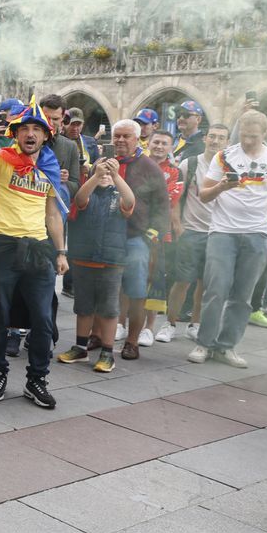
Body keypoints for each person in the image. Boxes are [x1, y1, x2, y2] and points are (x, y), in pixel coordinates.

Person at [0, 100, 68, 407]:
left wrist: (61, 252)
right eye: (24, 129)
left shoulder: (49, 167)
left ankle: (37, 380)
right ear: (15, 134)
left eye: (37, 129)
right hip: (2, 246)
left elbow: (52, 214)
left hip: (38, 249)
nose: (30, 134)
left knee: (43, 319)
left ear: (46, 135)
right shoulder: (2, 158)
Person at [190, 110, 267, 368]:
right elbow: (204, 195)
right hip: (223, 232)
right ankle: (204, 343)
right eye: (244, 135)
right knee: (216, 289)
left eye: (253, 137)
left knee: (243, 296)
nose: (247, 141)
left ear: (265, 133)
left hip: (257, 234)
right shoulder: (224, 157)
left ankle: (226, 346)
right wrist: (222, 186)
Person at [57, 151, 135, 369]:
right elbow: (80, 199)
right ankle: (80, 348)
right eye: (100, 171)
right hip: (84, 259)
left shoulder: (119, 196)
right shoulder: (87, 193)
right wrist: (95, 176)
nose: (105, 175)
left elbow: (130, 200)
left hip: (111, 262)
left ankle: (107, 352)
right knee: (83, 307)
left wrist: (116, 176)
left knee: (109, 309)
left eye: (109, 172)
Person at [154, 123, 230, 343]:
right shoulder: (191, 163)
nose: (215, 141)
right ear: (205, 138)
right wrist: (178, 224)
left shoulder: (230, 167)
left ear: (227, 143)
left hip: (218, 233)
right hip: (192, 230)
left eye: (221, 138)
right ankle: (170, 323)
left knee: (205, 284)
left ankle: (195, 324)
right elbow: (177, 195)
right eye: (212, 136)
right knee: (182, 280)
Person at [110, 120, 170, 364]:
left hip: (136, 238)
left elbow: (162, 207)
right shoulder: (105, 164)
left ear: (137, 139)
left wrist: (150, 236)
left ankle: (132, 341)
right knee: (104, 290)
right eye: (117, 136)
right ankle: (98, 335)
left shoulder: (149, 167)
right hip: (107, 238)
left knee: (136, 292)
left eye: (126, 136)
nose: (120, 140)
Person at [137, 130, 182, 347]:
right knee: (130, 278)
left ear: (171, 147)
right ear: (148, 143)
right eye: (156, 142)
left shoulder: (174, 171)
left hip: (159, 232)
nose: (159, 146)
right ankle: (122, 324)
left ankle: (148, 328)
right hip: (134, 228)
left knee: (154, 279)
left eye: (165, 143)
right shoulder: (137, 164)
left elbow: (168, 199)